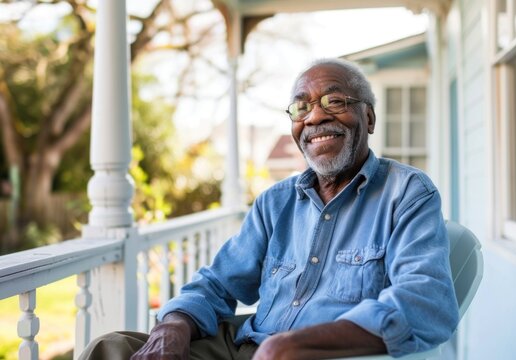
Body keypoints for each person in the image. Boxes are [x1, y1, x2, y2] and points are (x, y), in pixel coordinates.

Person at [80, 58, 459, 360]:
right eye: (301, 107)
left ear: (369, 118)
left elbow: (424, 303)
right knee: (112, 348)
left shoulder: (407, 193)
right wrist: (173, 326)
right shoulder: (275, 202)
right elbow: (217, 284)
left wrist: (294, 346)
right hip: (245, 345)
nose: (314, 117)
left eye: (335, 101)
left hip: (325, 355)